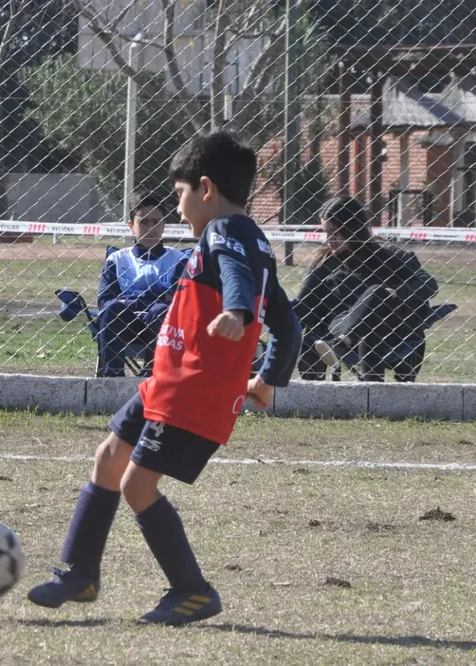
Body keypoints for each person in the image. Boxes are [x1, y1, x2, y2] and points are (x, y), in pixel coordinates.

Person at [27, 131, 301, 626]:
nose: (177, 208)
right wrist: (267, 378)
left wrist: (237, 311)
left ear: (206, 188)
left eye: (179, 194)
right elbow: (289, 325)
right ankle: (80, 573)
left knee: (136, 485)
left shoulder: (223, 233)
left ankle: (192, 591)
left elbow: (235, 276)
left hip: (193, 391)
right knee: (109, 458)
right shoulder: (257, 244)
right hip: (166, 382)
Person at [293, 196, 439, 382]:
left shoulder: (389, 256)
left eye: (334, 232)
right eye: (326, 232)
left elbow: (429, 284)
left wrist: (394, 293)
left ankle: (343, 347)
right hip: (339, 324)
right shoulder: (325, 263)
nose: (329, 239)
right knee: (357, 326)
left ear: (353, 229)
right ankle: (343, 344)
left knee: (376, 294)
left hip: (386, 331)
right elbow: (304, 305)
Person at [95, 194, 188, 377]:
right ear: (131, 225)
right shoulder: (117, 260)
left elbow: (180, 303)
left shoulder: (179, 261)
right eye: (143, 222)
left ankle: (153, 377)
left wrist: (129, 299)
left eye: (156, 222)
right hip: (125, 325)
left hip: (162, 326)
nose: (150, 228)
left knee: (161, 310)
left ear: (164, 225)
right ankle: (112, 379)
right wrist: (153, 297)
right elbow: (105, 302)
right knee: (113, 310)